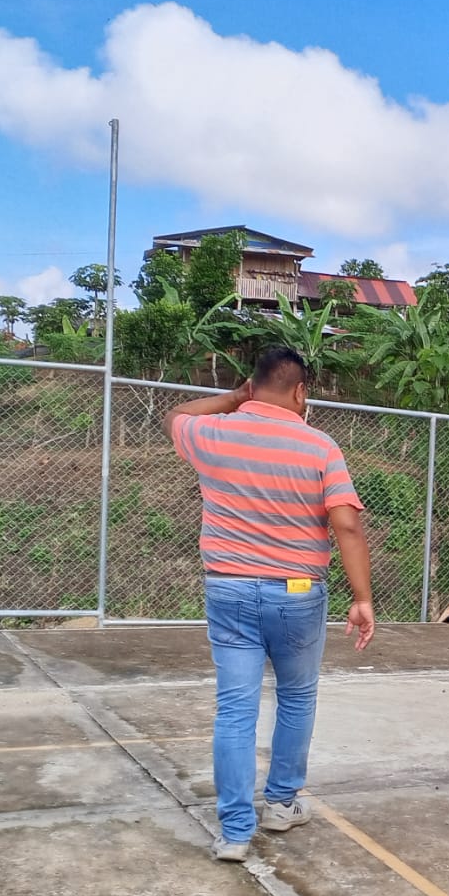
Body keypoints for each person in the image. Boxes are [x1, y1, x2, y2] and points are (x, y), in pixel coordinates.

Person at [163, 347, 376, 862]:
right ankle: (281, 804)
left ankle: (235, 833)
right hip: (297, 592)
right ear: (301, 392)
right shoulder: (320, 447)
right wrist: (362, 598)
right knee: (296, 697)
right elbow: (346, 525)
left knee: (235, 709)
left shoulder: (213, 434)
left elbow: (177, 415)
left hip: (229, 588)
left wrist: (233, 399)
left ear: (252, 386)